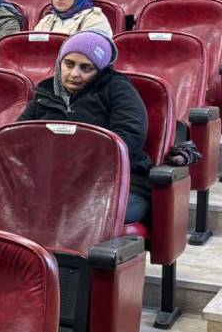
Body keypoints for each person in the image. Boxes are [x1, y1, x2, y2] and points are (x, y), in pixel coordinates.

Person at [17, 31, 151, 224]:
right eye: (69, 64)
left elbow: (129, 137)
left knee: (73, 217)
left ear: (100, 70)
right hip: (54, 185)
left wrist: (76, 164)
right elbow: (17, 137)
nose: (74, 74)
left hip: (117, 184)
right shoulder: (46, 92)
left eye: (86, 68)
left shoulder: (119, 90)